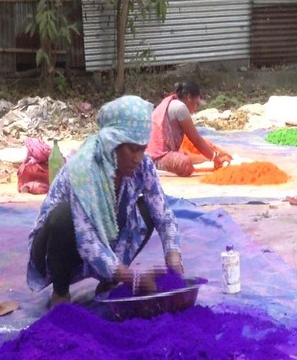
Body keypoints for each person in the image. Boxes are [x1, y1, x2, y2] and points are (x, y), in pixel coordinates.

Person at [27, 95, 184, 309]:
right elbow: (86, 240)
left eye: (142, 148)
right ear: (112, 143)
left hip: (104, 244)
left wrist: (174, 259)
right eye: (132, 149)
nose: (138, 158)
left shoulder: (143, 166)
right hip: (61, 249)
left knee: (147, 210)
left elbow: (164, 217)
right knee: (63, 217)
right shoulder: (84, 169)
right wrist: (132, 278)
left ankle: (110, 281)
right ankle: (60, 293)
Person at [147, 81, 232, 176]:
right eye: (196, 104)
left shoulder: (171, 103)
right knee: (185, 163)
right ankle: (214, 158)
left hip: (156, 152)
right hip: (156, 157)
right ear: (189, 97)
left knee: (184, 154)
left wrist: (213, 157)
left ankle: (209, 159)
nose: (195, 108)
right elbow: (196, 140)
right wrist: (215, 158)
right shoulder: (180, 108)